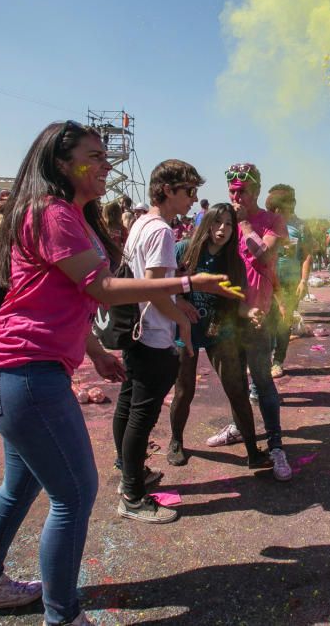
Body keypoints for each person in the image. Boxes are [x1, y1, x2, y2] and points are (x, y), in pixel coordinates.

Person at [0, 120, 241, 625]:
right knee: (74, 494)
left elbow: (55, 295)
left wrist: (92, 351)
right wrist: (190, 281)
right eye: (95, 156)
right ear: (63, 163)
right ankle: (63, 616)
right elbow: (105, 289)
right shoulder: (52, 212)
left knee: (20, 487)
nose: (107, 166)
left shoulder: (65, 213)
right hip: (26, 375)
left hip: (19, 371)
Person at [114, 159, 205, 524]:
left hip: (137, 329)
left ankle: (129, 472)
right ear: (167, 190)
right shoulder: (162, 232)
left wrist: (176, 301)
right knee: (142, 414)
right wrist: (181, 319)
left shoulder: (141, 224)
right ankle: (133, 495)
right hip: (152, 333)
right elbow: (154, 288)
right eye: (188, 192)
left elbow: (148, 283)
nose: (192, 199)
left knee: (128, 405)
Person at [168, 202, 270, 469]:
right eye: (217, 222)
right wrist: (179, 301)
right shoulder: (184, 250)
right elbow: (164, 285)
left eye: (228, 224)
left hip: (219, 329)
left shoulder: (233, 261)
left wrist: (251, 312)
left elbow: (239, 302)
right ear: (207, 222)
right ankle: (176, 442)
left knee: (237, 389)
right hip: (186, 330)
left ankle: (253, 451)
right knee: (183, 391)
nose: (222, 229)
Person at [224, 162, 293, 481]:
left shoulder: (272, 221)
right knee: (234, 380)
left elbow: (264, 257)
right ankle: (239, 427)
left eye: (243, 191)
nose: (237, 197)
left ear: (256, 191)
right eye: (233, 191)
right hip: (229, 314)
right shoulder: (225, 218)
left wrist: (245, 226)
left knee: (262, 381)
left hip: (257, 316)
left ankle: (276, 444)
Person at [266, 184, 313, 378]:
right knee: (265, 321)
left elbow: (307, 255)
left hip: (290, 283)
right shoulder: (265, 223)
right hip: (266, 281)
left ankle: (278, 361)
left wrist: (303, 280)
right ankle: (263, 358)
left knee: (284, 323)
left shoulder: (300, 226)